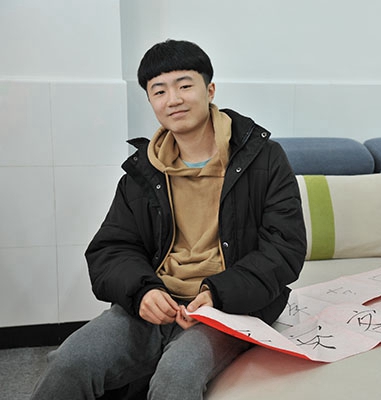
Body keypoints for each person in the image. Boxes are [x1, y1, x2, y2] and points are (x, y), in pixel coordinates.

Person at [31, 39, 307, 400]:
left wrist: (218, 293)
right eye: (159, 91)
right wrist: (143, 291)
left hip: (229, 307)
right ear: (150, 101)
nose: (173, 99)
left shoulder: (263, 159)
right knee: (70, 362)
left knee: (177, 374)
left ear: (209, 90)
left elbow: (284, 248)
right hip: (157, 300)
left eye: (184, 85)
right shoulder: (142, 172)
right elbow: (111, 249)